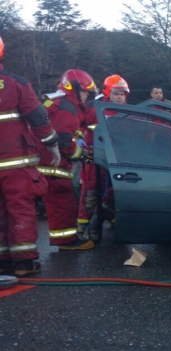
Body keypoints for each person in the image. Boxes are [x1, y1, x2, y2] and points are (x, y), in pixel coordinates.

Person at [0, 35, 60, 277]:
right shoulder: (15, 83)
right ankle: (24, 263)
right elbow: (38, 118)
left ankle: (2, 262)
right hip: (16, 164)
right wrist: (53, 145)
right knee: (20, 208)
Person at [39, 69, 96, 251]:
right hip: (53, 165)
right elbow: (64, 141)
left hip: (44, 162)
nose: (87, 95)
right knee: (62, 202)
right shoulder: (67, 106)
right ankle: (66, 242)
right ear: (74, 88)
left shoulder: (59, 103)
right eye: (85, 91)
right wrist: (81, 154)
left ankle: (64, 240)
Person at [78, 74, 128, 242]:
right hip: (94, 157)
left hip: (116, 159)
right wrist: (80, 142)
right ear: (108, 93)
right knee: (90, 193)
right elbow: (78, 125)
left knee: (113, 193)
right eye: (116, 93)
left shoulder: (127, 111)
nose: (120, 97)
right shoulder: (95, 108)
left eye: (122, 94)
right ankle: (82, 231)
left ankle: (103, 224)